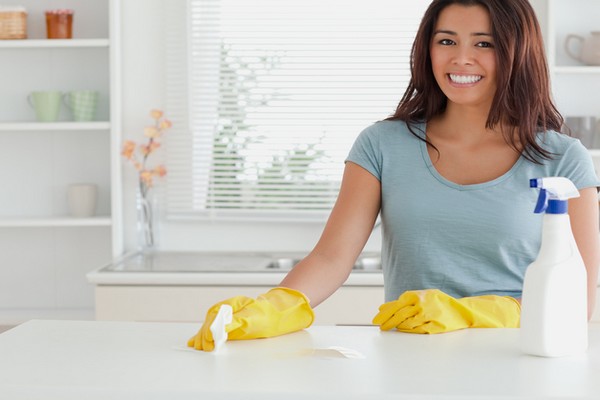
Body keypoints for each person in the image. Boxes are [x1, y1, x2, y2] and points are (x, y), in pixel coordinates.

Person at [188, 0, 600, 351]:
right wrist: (276, 304)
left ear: (517, 51)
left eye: (484, 43)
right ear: (428, 49)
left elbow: (577, 305)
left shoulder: (562, 158)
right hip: (409, 359)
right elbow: (332, 258)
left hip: (518, 361)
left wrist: (475, 312)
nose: (461, 58)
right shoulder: (382, 145)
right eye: (446, 41)